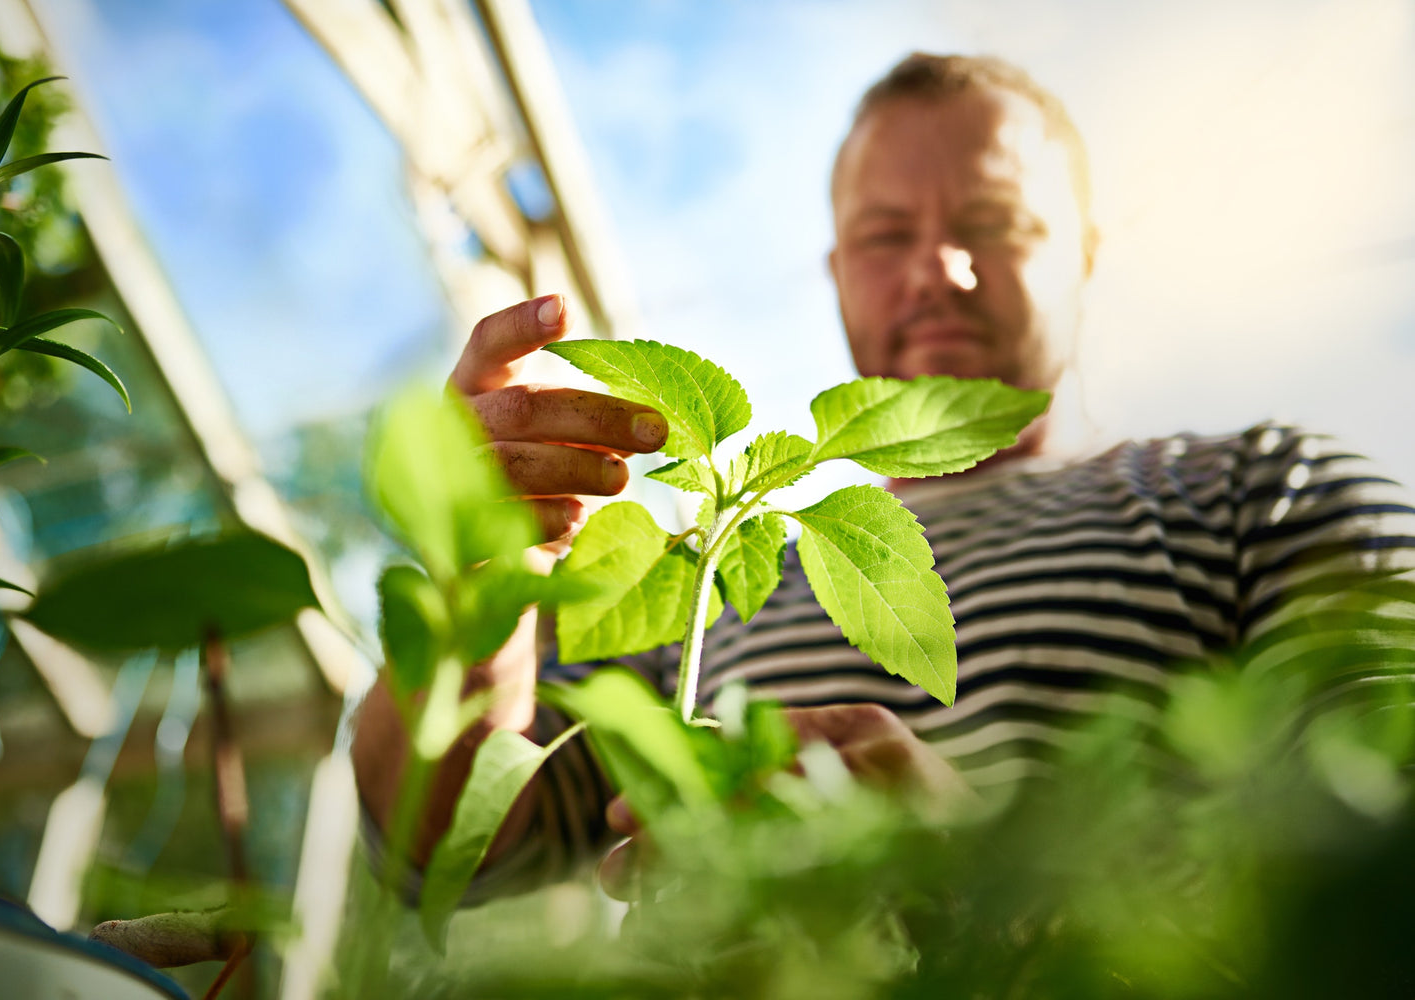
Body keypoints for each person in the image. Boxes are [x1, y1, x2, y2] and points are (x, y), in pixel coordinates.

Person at [353, 53, 1415, 890]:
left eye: (995, 223)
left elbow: (1376, 872)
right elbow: (448, 844)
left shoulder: (1260, 490)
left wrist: (982, 893)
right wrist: (487, 581)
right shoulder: (700, 577)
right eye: (885, 233)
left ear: (1084, 251)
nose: (936, 270)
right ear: (833, 269)